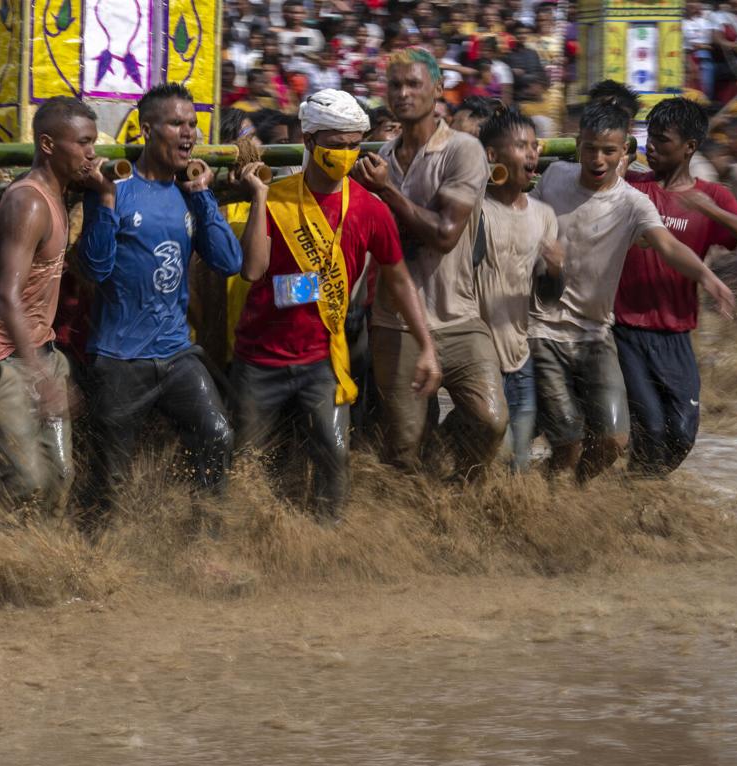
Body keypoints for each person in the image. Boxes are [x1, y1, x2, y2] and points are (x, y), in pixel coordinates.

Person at [233, 89, 439, 518]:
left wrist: (427, 346)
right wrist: (257, 198)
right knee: (246, 461)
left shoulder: (371, 209)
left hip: (323, 359)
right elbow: (252, 271)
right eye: (335, 145)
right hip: (260, 358)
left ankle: (329, 543)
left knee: (334, 458)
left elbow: (399, 280)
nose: (345, 155)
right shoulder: (274, 199)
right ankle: (236, 538)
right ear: (309, 142)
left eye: (353, 146)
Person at [528, 101, 735, 481]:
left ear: (624, 152)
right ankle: (542, 492)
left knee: (614, 440)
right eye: (590, 148)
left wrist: (708, 277)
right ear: (578, 146)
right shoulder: (555, 175)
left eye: (609, 150)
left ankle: (575, 496)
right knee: (569, 438)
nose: (598, 159)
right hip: (542, 329)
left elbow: (668, 246)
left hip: (595, 333)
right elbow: (524, 222)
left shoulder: (633, 203)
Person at [77, 83, 243, 520]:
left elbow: (229, 261)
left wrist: (203, 195)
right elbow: (93, 268)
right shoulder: (116, 183)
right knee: (111, 478)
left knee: (218, 435)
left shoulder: (188, 191)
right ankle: (94, 564)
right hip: (118, 357)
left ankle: (205, 547)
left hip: (175, 353)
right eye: (176, 124)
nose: (188, 134)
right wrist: (107, 200)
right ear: (147, 128)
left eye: (192, 125)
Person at [353, 47, 507, 477]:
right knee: (403, 445)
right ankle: (408, 521)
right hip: (394, 321)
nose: (402, 93)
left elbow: (443, 234)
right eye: (395, 85)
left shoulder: (463, 151)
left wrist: (388, 193)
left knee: (492, 421)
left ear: (438, 89)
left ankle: (455, 486)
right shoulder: (379, 157)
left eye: (413, 84)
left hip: (459, 316)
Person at [613, 98, 737, 475]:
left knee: (681, 434)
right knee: (649, 425)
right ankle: (631, 499)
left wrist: (710, 210)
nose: (651, 146)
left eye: (662, 140)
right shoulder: (633, 186)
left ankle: (636, 488)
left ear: (689, 148)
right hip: (625, 328)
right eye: (649, 137)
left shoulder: (714, 197)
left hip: (677, 332)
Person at [0, 98, 96, 516]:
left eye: (94, 143)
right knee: (24, 480)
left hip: (41, 354)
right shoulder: (29, 202)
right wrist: (44, 378)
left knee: (60, 475)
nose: (93, 153)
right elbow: (7, 297)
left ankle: (37, 567)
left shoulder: (58, 196)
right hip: (2, 360)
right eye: (84, 143)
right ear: (48, 144)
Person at [475, 110, 563, 471]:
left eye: (534, 146)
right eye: (521, 146)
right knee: (498, 453)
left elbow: (549, 297)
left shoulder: (544, 215)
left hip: (519, 355)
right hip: (478, 357)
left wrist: (557, 268)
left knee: (519, 461)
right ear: (493, 156)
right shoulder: (473, 210)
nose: (531, 155)